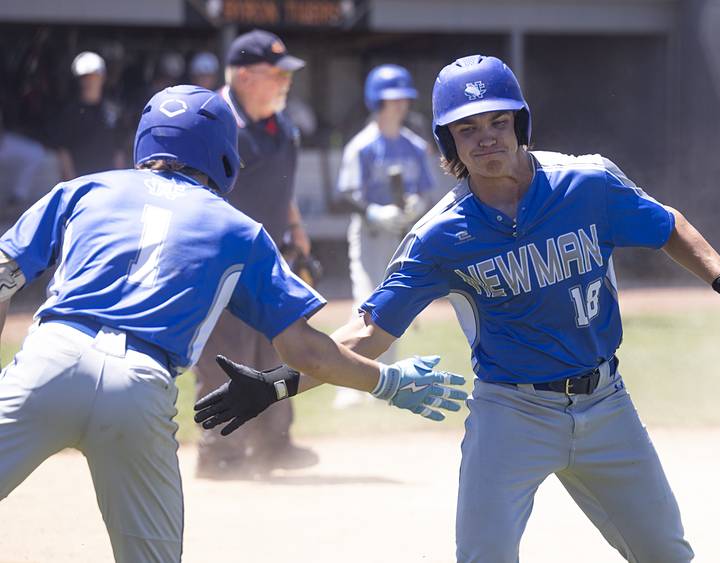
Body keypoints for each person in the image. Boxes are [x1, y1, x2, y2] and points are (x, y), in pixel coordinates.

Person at [199, 55, 720, 562]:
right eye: (467, 128)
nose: (487, 138)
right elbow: (369, 333)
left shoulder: (588, 183)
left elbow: (666, 223)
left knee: (665, 554)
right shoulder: (440, 237)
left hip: (607, 406)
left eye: (499, 121)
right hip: (510, 415)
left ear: (519, 124)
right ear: (447, 141)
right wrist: (277, 384)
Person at [0, 84, 467, 563]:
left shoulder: (83, 189)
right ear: (224, 153)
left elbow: (2, 277)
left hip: (48, 360)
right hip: (139, 384)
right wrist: (387, 380)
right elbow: (306, 352)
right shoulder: (238, 229)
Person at [193, 29, 316, 480]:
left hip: (269, 258)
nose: (286, 81)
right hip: (220, 261)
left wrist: (297, 229)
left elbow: (281, 189)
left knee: (278, 352)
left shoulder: (282, 125)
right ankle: (220, 454)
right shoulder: (210, 122)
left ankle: (274, 445)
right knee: (226, 357)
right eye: (276, 73)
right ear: (244, 75)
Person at [333, 64, 436, 408]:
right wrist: (375, 211)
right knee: (366, 302)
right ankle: (348, 382)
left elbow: (425, 190)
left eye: (404, 98)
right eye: (393, 98)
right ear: (377, 100)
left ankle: (390, 380)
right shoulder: (361, 146)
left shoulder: (414, 145)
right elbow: (347, 194)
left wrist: (413, 208)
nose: (400, 105)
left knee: (398, 305)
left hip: (402, 235)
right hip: (370, 233)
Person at [50, 51, 125, 180]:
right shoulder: (69, 112)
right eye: (84, 77)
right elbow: (63, 149)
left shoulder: (112, 111)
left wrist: (119, 179)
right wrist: (71, 181)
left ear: (103, 78)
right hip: (79, 181)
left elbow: (119, 148)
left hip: (107, 181)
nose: (89, 82)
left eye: (94, 77)